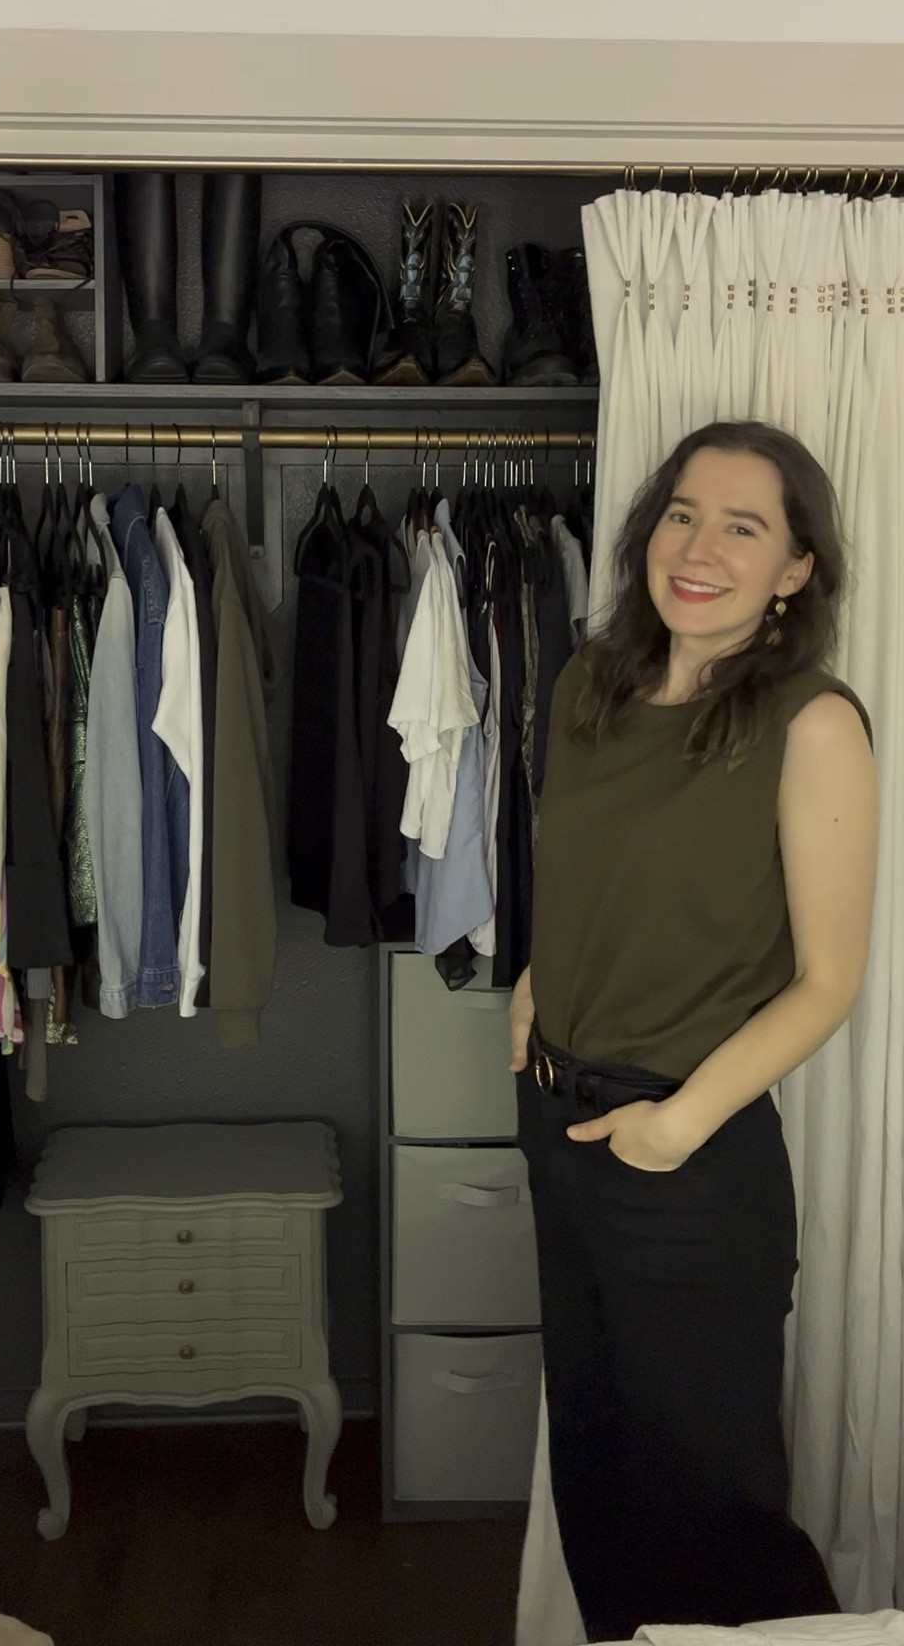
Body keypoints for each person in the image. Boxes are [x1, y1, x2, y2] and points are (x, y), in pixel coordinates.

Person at [512, 419, 878, 1643]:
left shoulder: (813, 723)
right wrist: (532, 986)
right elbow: (580, 871)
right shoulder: (587, 682)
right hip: (559, 1124)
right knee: (602, 1484)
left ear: (795, 570)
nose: (699, 546)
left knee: (713, 1520)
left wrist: (676, 1127)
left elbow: (828, 980)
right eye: (682, 512)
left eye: (744, 525)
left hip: (688, 1155)